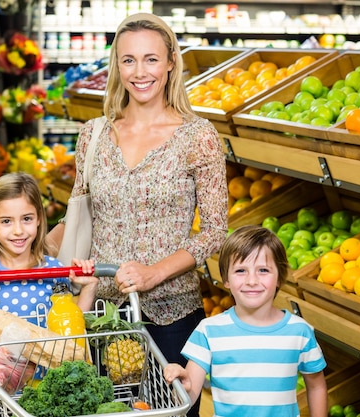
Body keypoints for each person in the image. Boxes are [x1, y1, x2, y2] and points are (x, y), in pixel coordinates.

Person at [46, 12, 228, 416]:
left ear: (170, 63)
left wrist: (154, 273)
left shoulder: (199, 137)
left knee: (171, 411)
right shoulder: (93, 134)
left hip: (173, 315)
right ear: (117, 66)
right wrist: (30, 246)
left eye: (150, 59)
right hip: (102, 315)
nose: (140, 71)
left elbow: (215, 231)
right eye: (129, 60)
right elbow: (78, 213)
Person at [164, 225, 328, 417]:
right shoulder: (209, 331)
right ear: (226, 279)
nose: (252, 280)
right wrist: (182, 385)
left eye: (263, 270)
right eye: (241, 271)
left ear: (279, 278)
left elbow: (316, 387)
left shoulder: (300, 331)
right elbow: (188, 397)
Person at [0, 172, 97, 326]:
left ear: (38, 218)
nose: (18, 230)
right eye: (6, 221)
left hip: (48, 351)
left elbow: (71, 326)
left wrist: (88, 287)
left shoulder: (55, 270)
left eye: (26, 219)